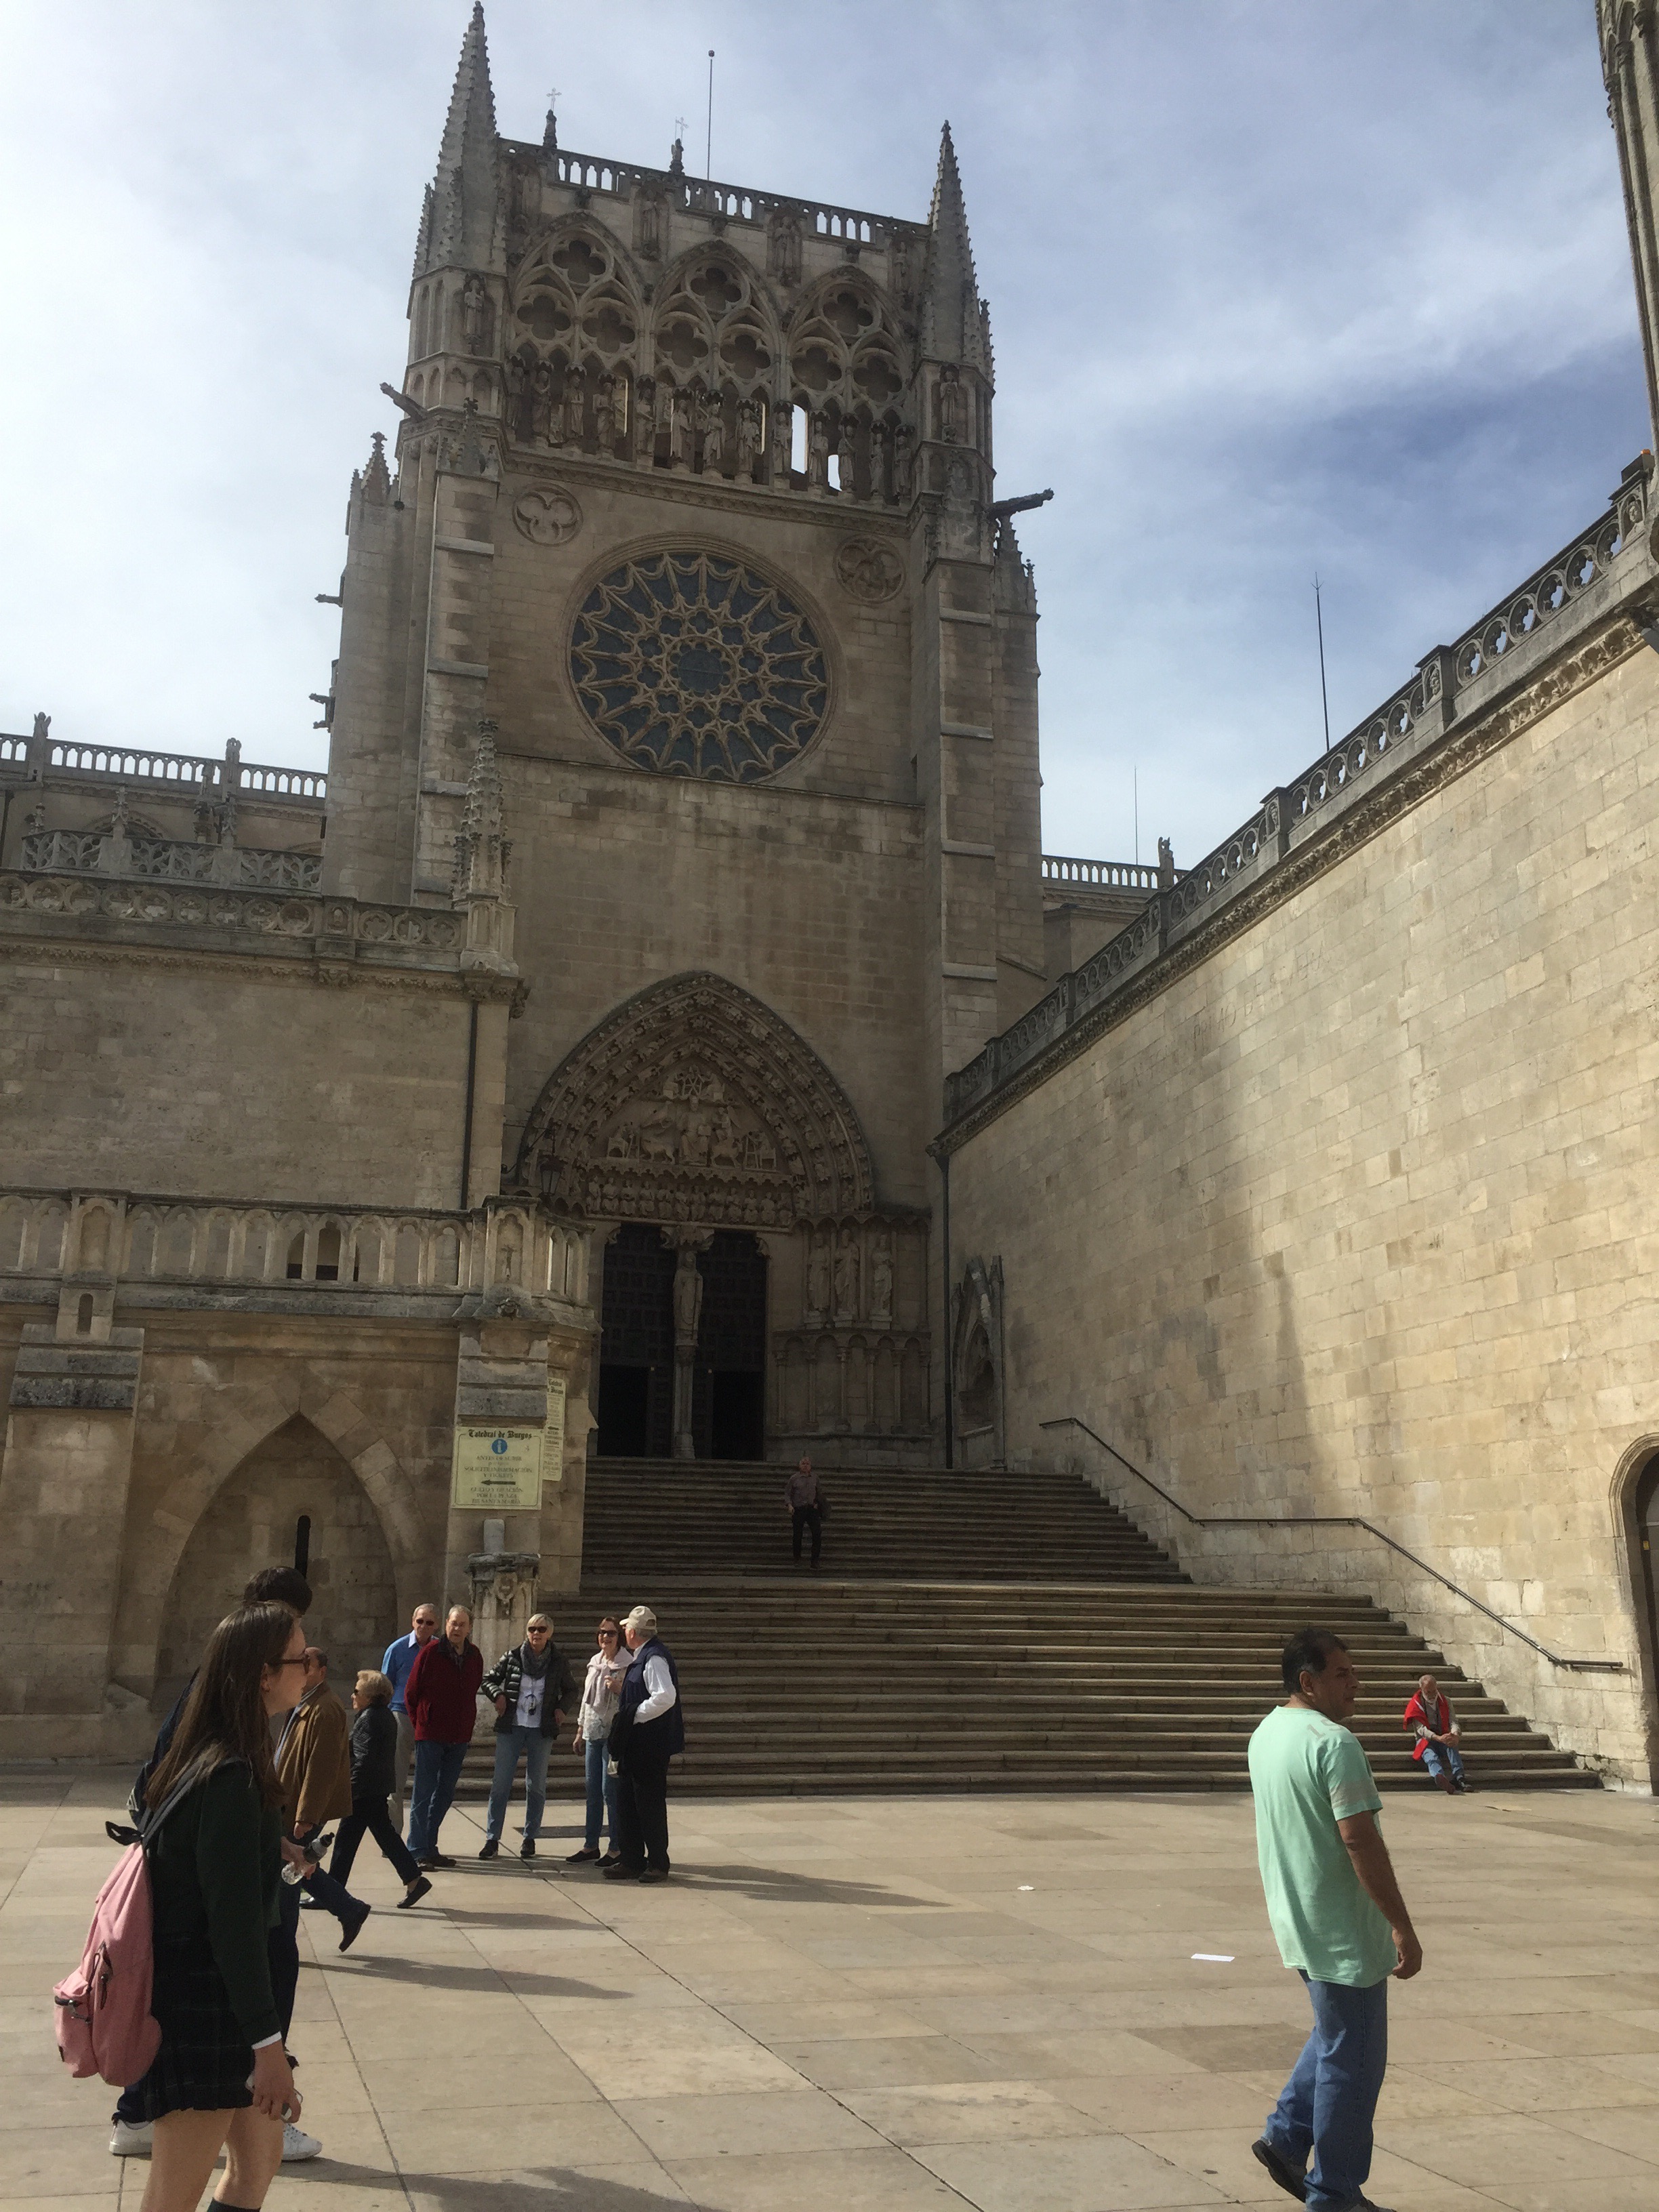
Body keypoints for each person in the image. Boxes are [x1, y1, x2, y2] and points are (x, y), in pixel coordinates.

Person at [112, 1565, 319, 2165]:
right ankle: (137, 2114)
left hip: (218, 1993)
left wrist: (266, 1843)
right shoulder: (229, 1773)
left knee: (256, 2169)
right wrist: (268, 2043)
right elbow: (233, 1927)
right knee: (173, 2195)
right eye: (300, 1658)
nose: (310, 1669)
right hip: (207, 1999)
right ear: (262, 1672)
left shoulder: (230, 1753)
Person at [1248, 1627, 1421, 2212]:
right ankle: (1335, 2193)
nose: (1356, 1684)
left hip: (1299, 1918)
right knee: (1355, 2062)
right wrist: (1401, 1925)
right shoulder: (1334, 1743)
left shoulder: (1268, 1732)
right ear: (1308, 1681)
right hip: (1344, 1930)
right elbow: (1358, 1838)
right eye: (1342, 1674)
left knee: (1337, 2035)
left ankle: (1286, 2135)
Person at [274, 1648, 370, 1953]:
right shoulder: (303, 1701)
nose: (301, 1670)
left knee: (288, 1877)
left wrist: (307, 1816)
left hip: (301, 1810)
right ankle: (350, 1909)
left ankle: (282, 1947)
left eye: (308, 1665)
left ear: (322, 1672)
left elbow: (321, 1768)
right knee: (298, 1866)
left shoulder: (326, 1709)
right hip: (288, 1802)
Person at [329, 1671, 433, 1907]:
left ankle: (332, 1893)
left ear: (370, 1696)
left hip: (364, 1790)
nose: (353, 1695)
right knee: (385, 1835)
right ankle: (414, 1880)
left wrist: (350, 1789)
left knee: (347, 1840)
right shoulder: (382, 1715)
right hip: (375, 1787)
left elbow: (364, 1759)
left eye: (357, 1691)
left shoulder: (370, 1718)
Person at [478, 1614, 577, 1860]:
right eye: (532, 1629)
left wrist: (561, 1709)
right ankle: (492, 1838)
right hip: (512, 1726)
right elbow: (488, 1679)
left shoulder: (557, 1661)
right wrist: (498, 1695)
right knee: (500, 1785)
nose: (536, 1634)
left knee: (536, 1786)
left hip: (540, 1729)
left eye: (541, 1629)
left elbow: (571, 1689)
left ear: (549, 1633)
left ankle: (530, 1837)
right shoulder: (513, 1656)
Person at [603, 1605, 682, 1885]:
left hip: (650, 1745)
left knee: (649, 1805)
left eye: (626, 1627)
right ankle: (632, 1859)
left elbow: (666, 1696)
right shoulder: (642, 1656)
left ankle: (658, 1863)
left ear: (633, 1632)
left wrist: (634, 1714)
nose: (624, 1630)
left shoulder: (654, 1658)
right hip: (635, 1745)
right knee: (628, 1803)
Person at [405, 1603, 482, 1869]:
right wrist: (421, 1724)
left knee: (445, 1794)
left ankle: (430, 1846)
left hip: (459, 1736)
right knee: (423, 1793)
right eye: (453, 1623)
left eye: (462, 1624)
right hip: (431, 1734)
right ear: (446, 1624)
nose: (457, 1628)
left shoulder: (474, 1656)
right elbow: (411, 1693)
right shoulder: (430, 1653)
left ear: (469, 1628)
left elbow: (472, 1690)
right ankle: (417, 1850)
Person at [567, 1618, 627, 1864]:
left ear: (619, 1638)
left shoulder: (627, 1664)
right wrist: (580, 1729)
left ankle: (616, 1847)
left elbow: (634, 1698)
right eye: (602, 1633)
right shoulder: (595, 1662)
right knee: (592, 1790)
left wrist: (620, 1689)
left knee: (609, 1791)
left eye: (611, 1633)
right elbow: (586, 1699)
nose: (606, 1637)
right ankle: (590, 1845)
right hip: (592, 1731)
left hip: (613, 1734)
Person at [380, 1601, 439, 1819]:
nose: (423, 1626)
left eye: (429, 1623)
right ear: (413, 1622)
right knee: (395, 1782)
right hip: (401, 1714)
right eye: (420, 1621)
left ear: (436, 1625)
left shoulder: (440, 1651)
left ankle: (420, 1835)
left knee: (427, 1782)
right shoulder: (396, 1649)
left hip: (429, 1719)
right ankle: (393, 1834)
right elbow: (384, 1686)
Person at [1402, 1673, 1469, 1794]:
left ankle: (1459, 1777)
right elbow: (1421, 1729)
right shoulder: (1415, 1705)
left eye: (1434, 1691)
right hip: (1426, 1739)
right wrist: (1437, 1738)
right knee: (1430, 1755)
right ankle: (1440, 1777)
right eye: (1428, 1692)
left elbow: (1453, 1721)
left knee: (1452, 1743)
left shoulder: (1446, 1701)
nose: (1432, 1695)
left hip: (1443, 1734)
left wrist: (1455, 1734)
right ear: (1422, 1690)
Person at [785, 1457, 823, 1570]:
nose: (805, 1466)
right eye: (803, 1464)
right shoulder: (794, 1478)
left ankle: (815, 1560)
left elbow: (819, 1492)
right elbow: (788, 1493)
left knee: (817, 1534)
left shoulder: (815, 1478)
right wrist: (789, 1505)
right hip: (799, 1509)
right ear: (799, 1466)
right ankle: (797, 1558)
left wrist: (817, 1503)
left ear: (810, 1466)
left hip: (812, 1509)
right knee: (797, 1535)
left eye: (807, 1464)